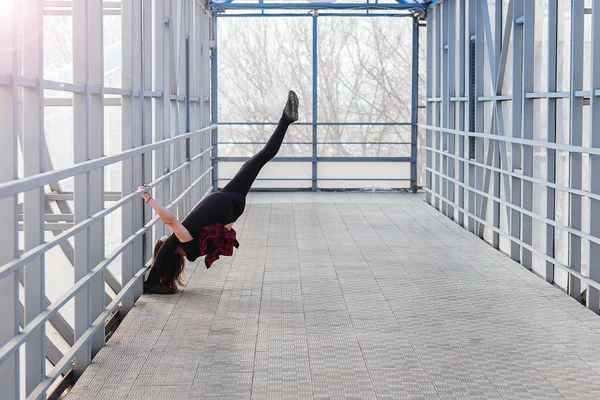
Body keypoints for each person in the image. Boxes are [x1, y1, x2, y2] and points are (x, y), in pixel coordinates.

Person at [140, 90, 299, 294]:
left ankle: (286, 118)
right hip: (219, 204)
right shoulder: (182, 244)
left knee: (259, 160)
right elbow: (170, 221)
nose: (163, 237)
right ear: (168, 252)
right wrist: (149, 199)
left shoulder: (192, 252)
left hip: (233, 209)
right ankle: (151, 283)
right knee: (258, 160)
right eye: (161, 242)